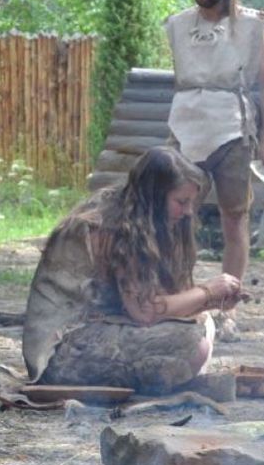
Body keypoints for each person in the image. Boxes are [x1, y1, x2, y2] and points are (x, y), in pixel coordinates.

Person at [29, 147, 241, 395]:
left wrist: (211, 302)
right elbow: (146, 311)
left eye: (191, 202)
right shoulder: (111, 226)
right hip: (62, 351)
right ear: (155, 197)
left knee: (204, 324)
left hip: (112, 324)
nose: (188, 212)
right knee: (193, 346)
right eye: (181, 202)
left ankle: (175, 376)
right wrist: (207, 292)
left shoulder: (148, 221)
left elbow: (165, 297)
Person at [164, 0, 264, 340]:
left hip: (231, 128)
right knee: (178, 216)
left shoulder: (250, 25)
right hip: (186, 127)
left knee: (235, 216)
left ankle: (228, 306)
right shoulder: (179, 24)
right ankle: (184, 300)